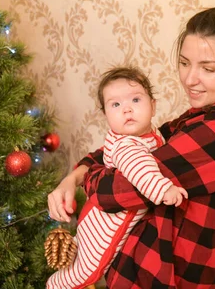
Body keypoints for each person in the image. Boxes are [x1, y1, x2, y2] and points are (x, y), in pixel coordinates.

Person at [48, 4, 215, 288]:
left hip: (165, 278)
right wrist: (71, 178)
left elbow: (115, 192)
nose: (189, 79)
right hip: (146, 269)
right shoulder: (204, 115)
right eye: (185, 63)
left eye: (208, 68)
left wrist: (85, 177)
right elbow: (134, 145)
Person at [46, 66, 188, 289]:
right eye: (115, 105)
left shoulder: (150, 135)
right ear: (106, 116)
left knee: (79, 251)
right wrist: (164, 190)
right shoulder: (126, 146)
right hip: (107, 224)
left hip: (97, 216)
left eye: (135, 100)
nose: (127, 110)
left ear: (153, 105)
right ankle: (55, 285)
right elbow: (140, 169)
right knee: (86, 270)